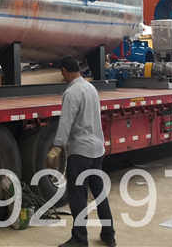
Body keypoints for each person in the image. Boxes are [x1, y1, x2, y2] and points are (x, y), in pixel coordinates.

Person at [47, 56, 115, 247]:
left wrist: (57, 146)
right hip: (97, 150)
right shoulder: (91, 88)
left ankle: (79, 239)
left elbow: (66, 122)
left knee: (77, 196)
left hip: (80, 152)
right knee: (99, 193)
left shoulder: (71, 92)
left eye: (62, 72)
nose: (62, 76)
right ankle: (109, 234)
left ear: (65, 71)